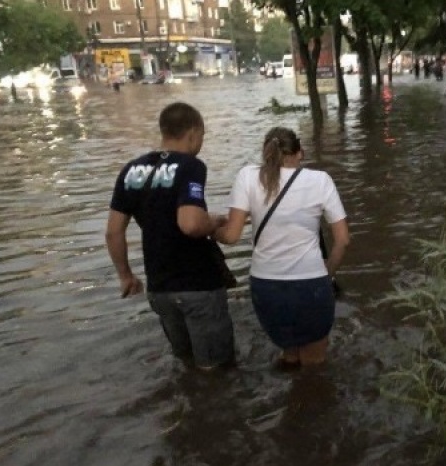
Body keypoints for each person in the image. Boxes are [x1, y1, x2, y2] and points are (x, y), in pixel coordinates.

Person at [105, 102, 236, 371]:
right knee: (217, 371)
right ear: (193, 132)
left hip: (160, 289)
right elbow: (190, 224)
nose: (201, 142)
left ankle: (186, 408)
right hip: (198, 285)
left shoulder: (131, 170)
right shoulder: (191, 166)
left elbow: (113, 232)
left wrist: (126, 276)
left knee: (186, 364)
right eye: (202, 136)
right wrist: (214, 222)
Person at [213, 127, 350, 368]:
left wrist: (211, 227)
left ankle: (288, 395)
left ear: (266, 153)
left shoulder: (247, 176)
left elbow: (231, 236)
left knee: (290, 355)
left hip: (266, 286)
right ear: (300, 153)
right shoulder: (320, 181)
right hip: (311, 284)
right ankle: (311, 402)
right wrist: (327, 273)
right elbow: (342, 240)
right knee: (314, 365)